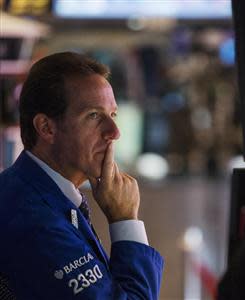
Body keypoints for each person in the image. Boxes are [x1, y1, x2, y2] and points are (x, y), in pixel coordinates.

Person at [0, 52, 163, 299]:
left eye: (113, 115)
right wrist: (125, 220)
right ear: (46, 128)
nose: (114, 132)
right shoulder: (33, 221)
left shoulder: (35, 193)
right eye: (94, 116)